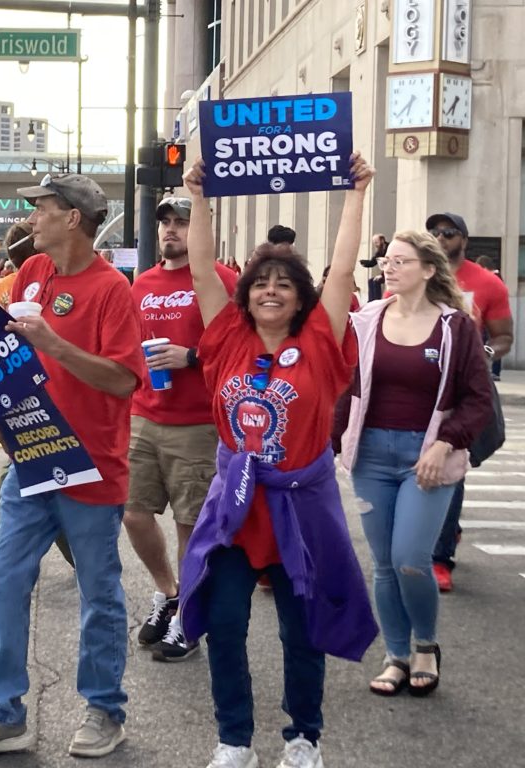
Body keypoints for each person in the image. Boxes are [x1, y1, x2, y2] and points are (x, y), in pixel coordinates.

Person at [178, 155, 378, 768]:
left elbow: (343, 270)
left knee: (302, 627)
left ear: (300, 299)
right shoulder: (227, 338)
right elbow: (203, 271)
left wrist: (356, 193)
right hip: (238, 508)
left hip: (302, 507)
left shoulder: (320, 339)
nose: (270, 289)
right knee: (226, 622)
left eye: (284, 284)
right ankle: (234, 739)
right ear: (248, 294)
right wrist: (199, 197)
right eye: (261, 282)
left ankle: (303, 738)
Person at [0, 174, 144, 760]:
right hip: (32, 456)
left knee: (98, 588)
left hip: (92, 466)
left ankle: (105, 709)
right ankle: (5, 714)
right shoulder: (33, 274)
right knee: (5, 578)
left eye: (43, 209)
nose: (32, 219)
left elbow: (124, 379)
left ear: (73, 219)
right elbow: (6, 356)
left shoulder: (112, 290)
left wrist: (55, 345)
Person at [337, 230, 491, 699]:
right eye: (387, 259)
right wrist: (329, 445)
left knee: (410, 560)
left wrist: (446, 444)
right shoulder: (364, 320)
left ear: (428, 269)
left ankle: (426, 645)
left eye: (402, 261)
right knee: (383, 563)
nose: (390, 267)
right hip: (372, 457)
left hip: (426, 458)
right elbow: (343, 388)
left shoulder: (454, 327)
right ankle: (397, 655)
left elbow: (477, 400)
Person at [125, 196, 238, 663]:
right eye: (167, 223)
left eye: (182, 223)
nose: (171, 230)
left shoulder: (221, 281)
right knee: (132, 512)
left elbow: (239, 348)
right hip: (142, 415)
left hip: (197, 422)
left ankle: (189, 618)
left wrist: (191, 356)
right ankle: (168, 591)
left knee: (190, 526)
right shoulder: (143, 282)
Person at [0, 221, 74, 583]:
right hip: (43, 393)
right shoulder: (48, 287)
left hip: (5, 393)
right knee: (41, 474)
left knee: (32, 473)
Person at [424, 212, 513, 592]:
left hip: (463, 391)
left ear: (463, 238)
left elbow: (504, 336)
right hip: (422, 386)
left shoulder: (487, 284)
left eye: (449, 232)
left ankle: (440, 558)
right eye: (434, 232)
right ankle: (448, 530)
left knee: (452, 465)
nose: (441, 238)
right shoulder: (417, 277)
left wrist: (483, 354)